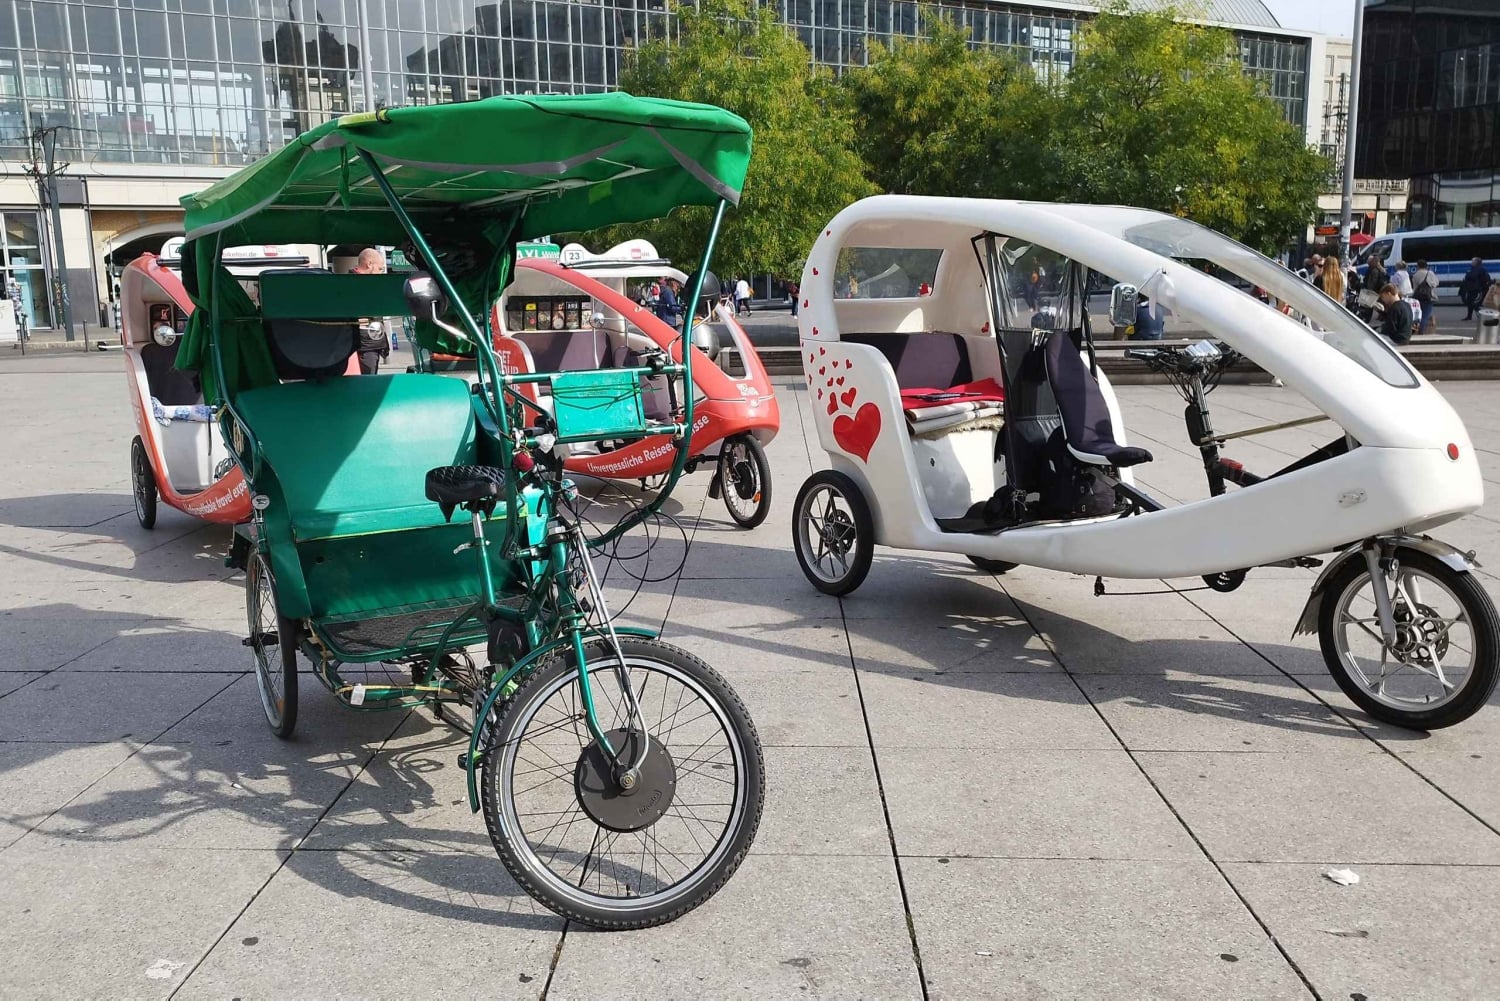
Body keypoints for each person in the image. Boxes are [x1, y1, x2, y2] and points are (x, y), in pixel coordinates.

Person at [351, 248, 390, 374]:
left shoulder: (359, 283)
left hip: (369, 342)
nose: (380, 273)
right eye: (380, 269)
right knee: (368, 379)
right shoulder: (357, 284)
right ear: (369, 264)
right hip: (365, 344)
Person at [1412, 259, 1440, 333]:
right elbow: (1436, 283)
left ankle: (1416, 329)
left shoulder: (1415, 275)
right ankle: (1421, 330)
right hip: (1428, 296)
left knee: (1418, 314)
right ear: (1426, 266)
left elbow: (1415, 288)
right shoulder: (1430, 273)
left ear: (1417, 266)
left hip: (1418, 297)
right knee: (1425, 314)